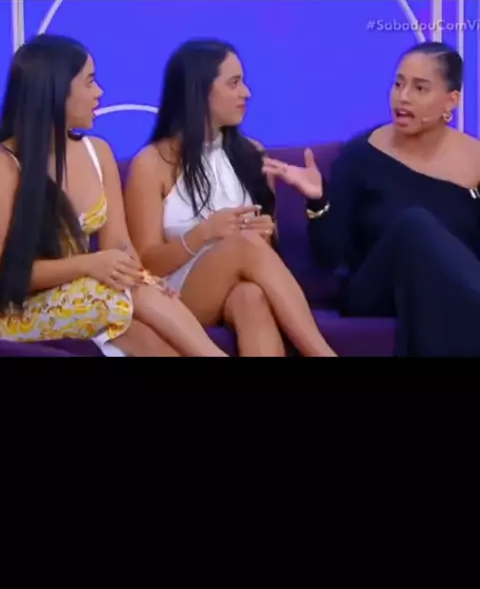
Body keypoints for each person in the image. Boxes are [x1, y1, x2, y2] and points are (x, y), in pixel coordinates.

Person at [0, 34, 228, 357]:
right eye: (89, 82)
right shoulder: (6, 165)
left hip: (84, 296)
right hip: (15, 309)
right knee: (114, 292)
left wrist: (144, 278)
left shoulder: (98, 152)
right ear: (56, 90)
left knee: (140, 322)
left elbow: (119, 246)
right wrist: (89, 265)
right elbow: (6, 274)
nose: (99, 92)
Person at [262, 40, 480, 357]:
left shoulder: (476, 160)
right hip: (374, 290)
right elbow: (329, 255)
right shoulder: (362, 154)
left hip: (452, 290)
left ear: (452, 99)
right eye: (398, 84)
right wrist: (318, 200)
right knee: (414, 225)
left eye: (420, 88)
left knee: (441, 280)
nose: (403, 97)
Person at [124, 39, 336, 356]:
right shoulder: (152, 163)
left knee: (251, 297)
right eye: (234, 83)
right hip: (173, 297)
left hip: (235, 284)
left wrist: (265, 233)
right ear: (199, 91)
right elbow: (146, 265)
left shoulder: (253, 153)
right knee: (243, 246)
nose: (246, 93)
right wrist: (205, 233)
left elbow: (265, 256)